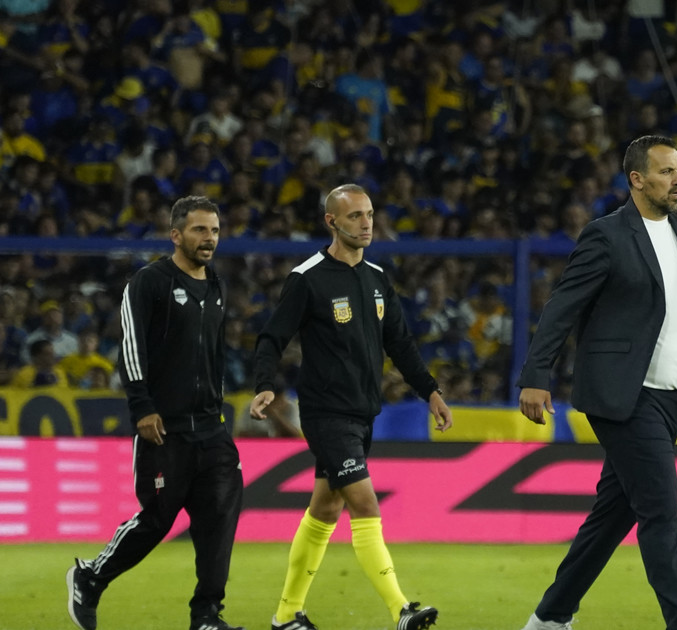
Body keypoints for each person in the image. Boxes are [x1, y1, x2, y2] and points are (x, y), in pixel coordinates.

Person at [516, 135, 677, 630]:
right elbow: (562, 306)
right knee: (660, 509)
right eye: (666, 172)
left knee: (613, 514)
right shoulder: (607, 235)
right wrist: (535, 375)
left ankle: (549, 618)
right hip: (624, 396)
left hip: (671, 397)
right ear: (637, 179)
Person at [250, 184, 453, 630]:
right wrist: (264, 384)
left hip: (363, 412)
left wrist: (431, 392)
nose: (366, 224)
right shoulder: (307, 278)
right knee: (364, 503)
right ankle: (401, 609)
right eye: (355, 216)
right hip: (325, 413)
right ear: (332, 222)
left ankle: (285, 616)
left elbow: (400, 343)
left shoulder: (377, 278)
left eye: (369, 215)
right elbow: (272, 337)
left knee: (325, 510)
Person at [66, 196, 243, 630]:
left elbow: (215, 356)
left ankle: (206, 615)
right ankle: (91, 576)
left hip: (212, 430)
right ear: (176, 235)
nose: (209, 239)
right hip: (165, 428)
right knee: (158, 519)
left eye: (215, 230)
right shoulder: (148, 282)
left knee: (219, 517)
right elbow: (130, 348)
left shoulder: (217, 287)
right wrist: (142, 408)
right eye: (200, 230)